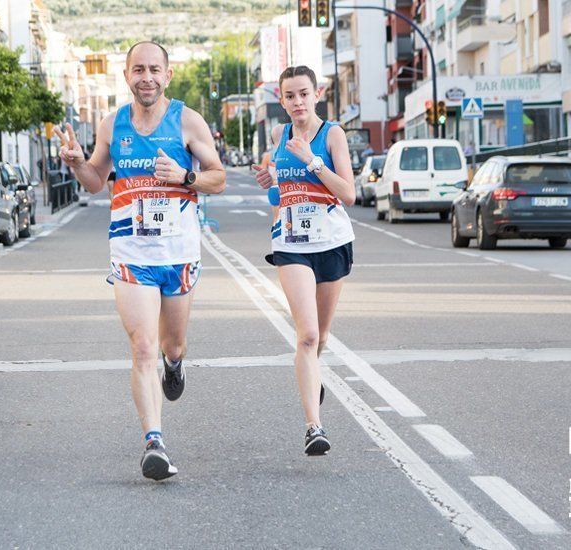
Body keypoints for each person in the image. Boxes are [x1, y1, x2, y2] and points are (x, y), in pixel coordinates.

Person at [58, 41, 225, 481]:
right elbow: (96, 180)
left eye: (154, 69)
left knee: (171, 346)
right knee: (142, 347)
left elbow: (219, 178)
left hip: (179, 252)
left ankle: (176, 365)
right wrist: (78, 163)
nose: (146, 77)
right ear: (127, 76)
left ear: (167, 75)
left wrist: (186, 176)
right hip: (131, 251)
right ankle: (154, 441)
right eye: (138, 70)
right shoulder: (112, 125)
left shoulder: (187, 120)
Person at [251, 65, 356, 456]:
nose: (297, 102)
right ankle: (314, 426)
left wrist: (313, 161)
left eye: (303, 94)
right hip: (292, 242)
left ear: (317, 94)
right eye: (289, 96)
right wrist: (271, 184)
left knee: (322, 337)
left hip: (331, 241)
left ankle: (314, 376)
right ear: (281, 100)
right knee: (307, 335)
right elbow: (280, 196)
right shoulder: (279, 135)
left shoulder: (333, 135)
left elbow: (348, 193)